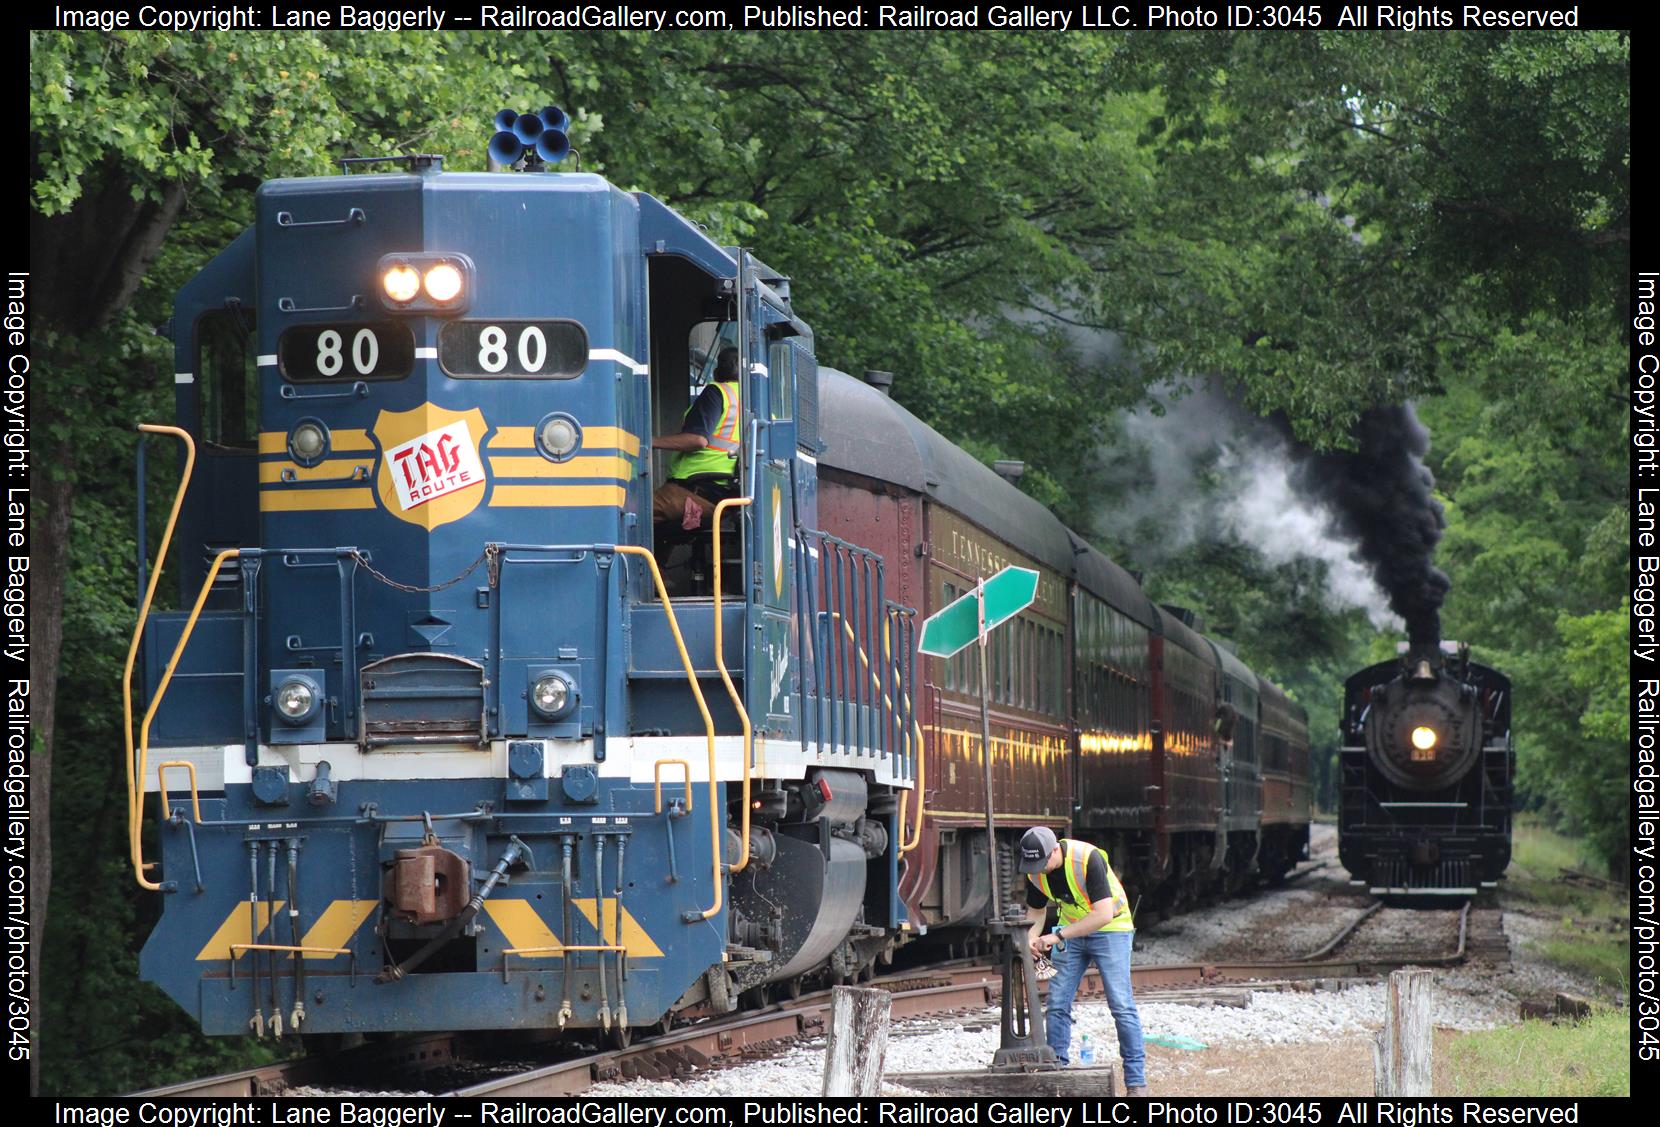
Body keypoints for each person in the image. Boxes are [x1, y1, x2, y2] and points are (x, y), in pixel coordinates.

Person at [1020, 825, 1148, 1095]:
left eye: (1044, 862)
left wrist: (1057, 936)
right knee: (1057, 1004)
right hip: (1072, 932)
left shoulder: (1087, 858)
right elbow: (1036, 911)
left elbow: (1102, 915)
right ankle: (1058, 1074)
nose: (1040, 869)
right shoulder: (1034, 870)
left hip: (1112, 930)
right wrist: (1030, 938)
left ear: (1056, 849)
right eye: (1034, 864)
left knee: (1121, 1005)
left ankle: (1136, 1083)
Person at [652, 346, 742, 530]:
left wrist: (650, 441)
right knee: (663, 535)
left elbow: (697, 440)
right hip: (727, 497)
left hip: (696, 491)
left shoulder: (718, 393)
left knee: (632, 513)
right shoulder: (760, 405)